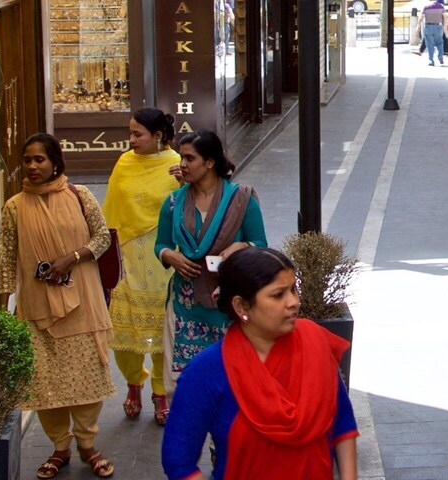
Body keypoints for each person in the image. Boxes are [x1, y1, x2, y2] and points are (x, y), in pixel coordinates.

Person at [161, 247, 359, 480]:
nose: (293, 302)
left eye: (293, 289)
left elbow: (343, 425)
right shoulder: (207, 371)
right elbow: (178, 460)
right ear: (242, 307)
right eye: (278, 295)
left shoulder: (314, 344)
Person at [0, 133, 118, 478]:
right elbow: (5, 259)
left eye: (40, 160)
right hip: (36, 308)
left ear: (55, 163)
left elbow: (102, 237)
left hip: (83, 302)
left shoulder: (80, 196)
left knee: (86, 381)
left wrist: (71, 258)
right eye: (27, 160)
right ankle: (60, 448)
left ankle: (88, 445)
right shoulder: (14, 206)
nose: (32, 166)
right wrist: (3, 310)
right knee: (45, 384)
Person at [157, 130, 268, 402]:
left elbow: (260, 243)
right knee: (184, 389)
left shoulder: (242, 199)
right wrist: (170, 256)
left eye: (189, 158)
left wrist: (239, 248)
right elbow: (160, 244)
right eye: (181, 157)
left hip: (228, 305)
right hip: (185, 304)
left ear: (209, 162)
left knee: (232, 384)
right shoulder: (173, 202)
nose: (181, 164)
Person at [106, 108, 183, 426]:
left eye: (138, 134)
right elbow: (110, 205)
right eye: (130, 133)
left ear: (158, 136)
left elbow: (192, 207)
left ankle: (160, 391)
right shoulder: (124, 163)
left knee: (160, 329)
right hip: (126, 255)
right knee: (124, 331)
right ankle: (134, 382)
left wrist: (187, 184)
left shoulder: (176, 165)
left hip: (162, 255)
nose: (132, 140)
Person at [420, 0, 446, 66]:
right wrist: (444, 26)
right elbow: (445, 17)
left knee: (430, 44)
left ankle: (431, 60)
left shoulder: (426, 7)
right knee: (440, 43)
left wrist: (418, 26)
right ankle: (440, 58)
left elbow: (421, 17)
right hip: (438, 26)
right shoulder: (441, 6)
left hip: (428, 26)